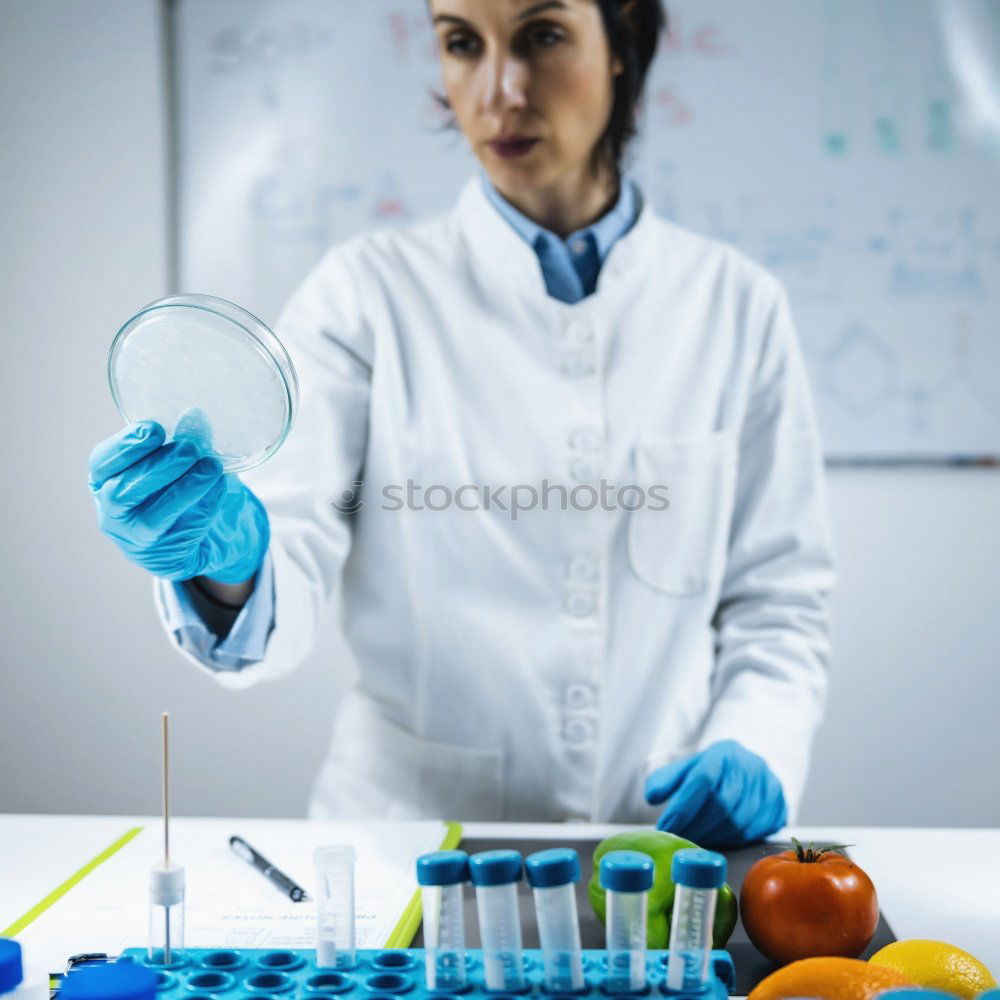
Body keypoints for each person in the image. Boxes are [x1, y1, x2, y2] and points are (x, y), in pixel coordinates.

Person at [88, 0, 834, 847]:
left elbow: (780, 600)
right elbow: (288, 539)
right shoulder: (365, 294)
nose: (501, 90)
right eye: (461, 43)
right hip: (403, 853)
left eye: (543, 36)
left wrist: (758, 744)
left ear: (622, 43)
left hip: (660, 847)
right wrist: (231, 557)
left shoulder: (735, 306)